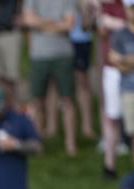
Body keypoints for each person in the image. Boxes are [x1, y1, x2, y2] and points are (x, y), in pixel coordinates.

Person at [97, 0, 134, 179]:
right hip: (113, 71)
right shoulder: (107, 4)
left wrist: (124, 59)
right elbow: (101, 30)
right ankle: (109, 165)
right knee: (112, 116)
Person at [22, 0, 78, 157]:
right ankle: (37, 142)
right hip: (39, 55)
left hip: (63, 54)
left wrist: (40, 24)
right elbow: (28, 20)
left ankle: (71, 144)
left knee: (67, 100)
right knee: (37, 101)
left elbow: (69, 25)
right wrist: (54, 23)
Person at [70, 0, 98, 139]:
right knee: (54, 83)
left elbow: (87, 22)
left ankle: (87, 126)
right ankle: (51, 127)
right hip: (57, 39)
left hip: (80, 39)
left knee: (82, 82)